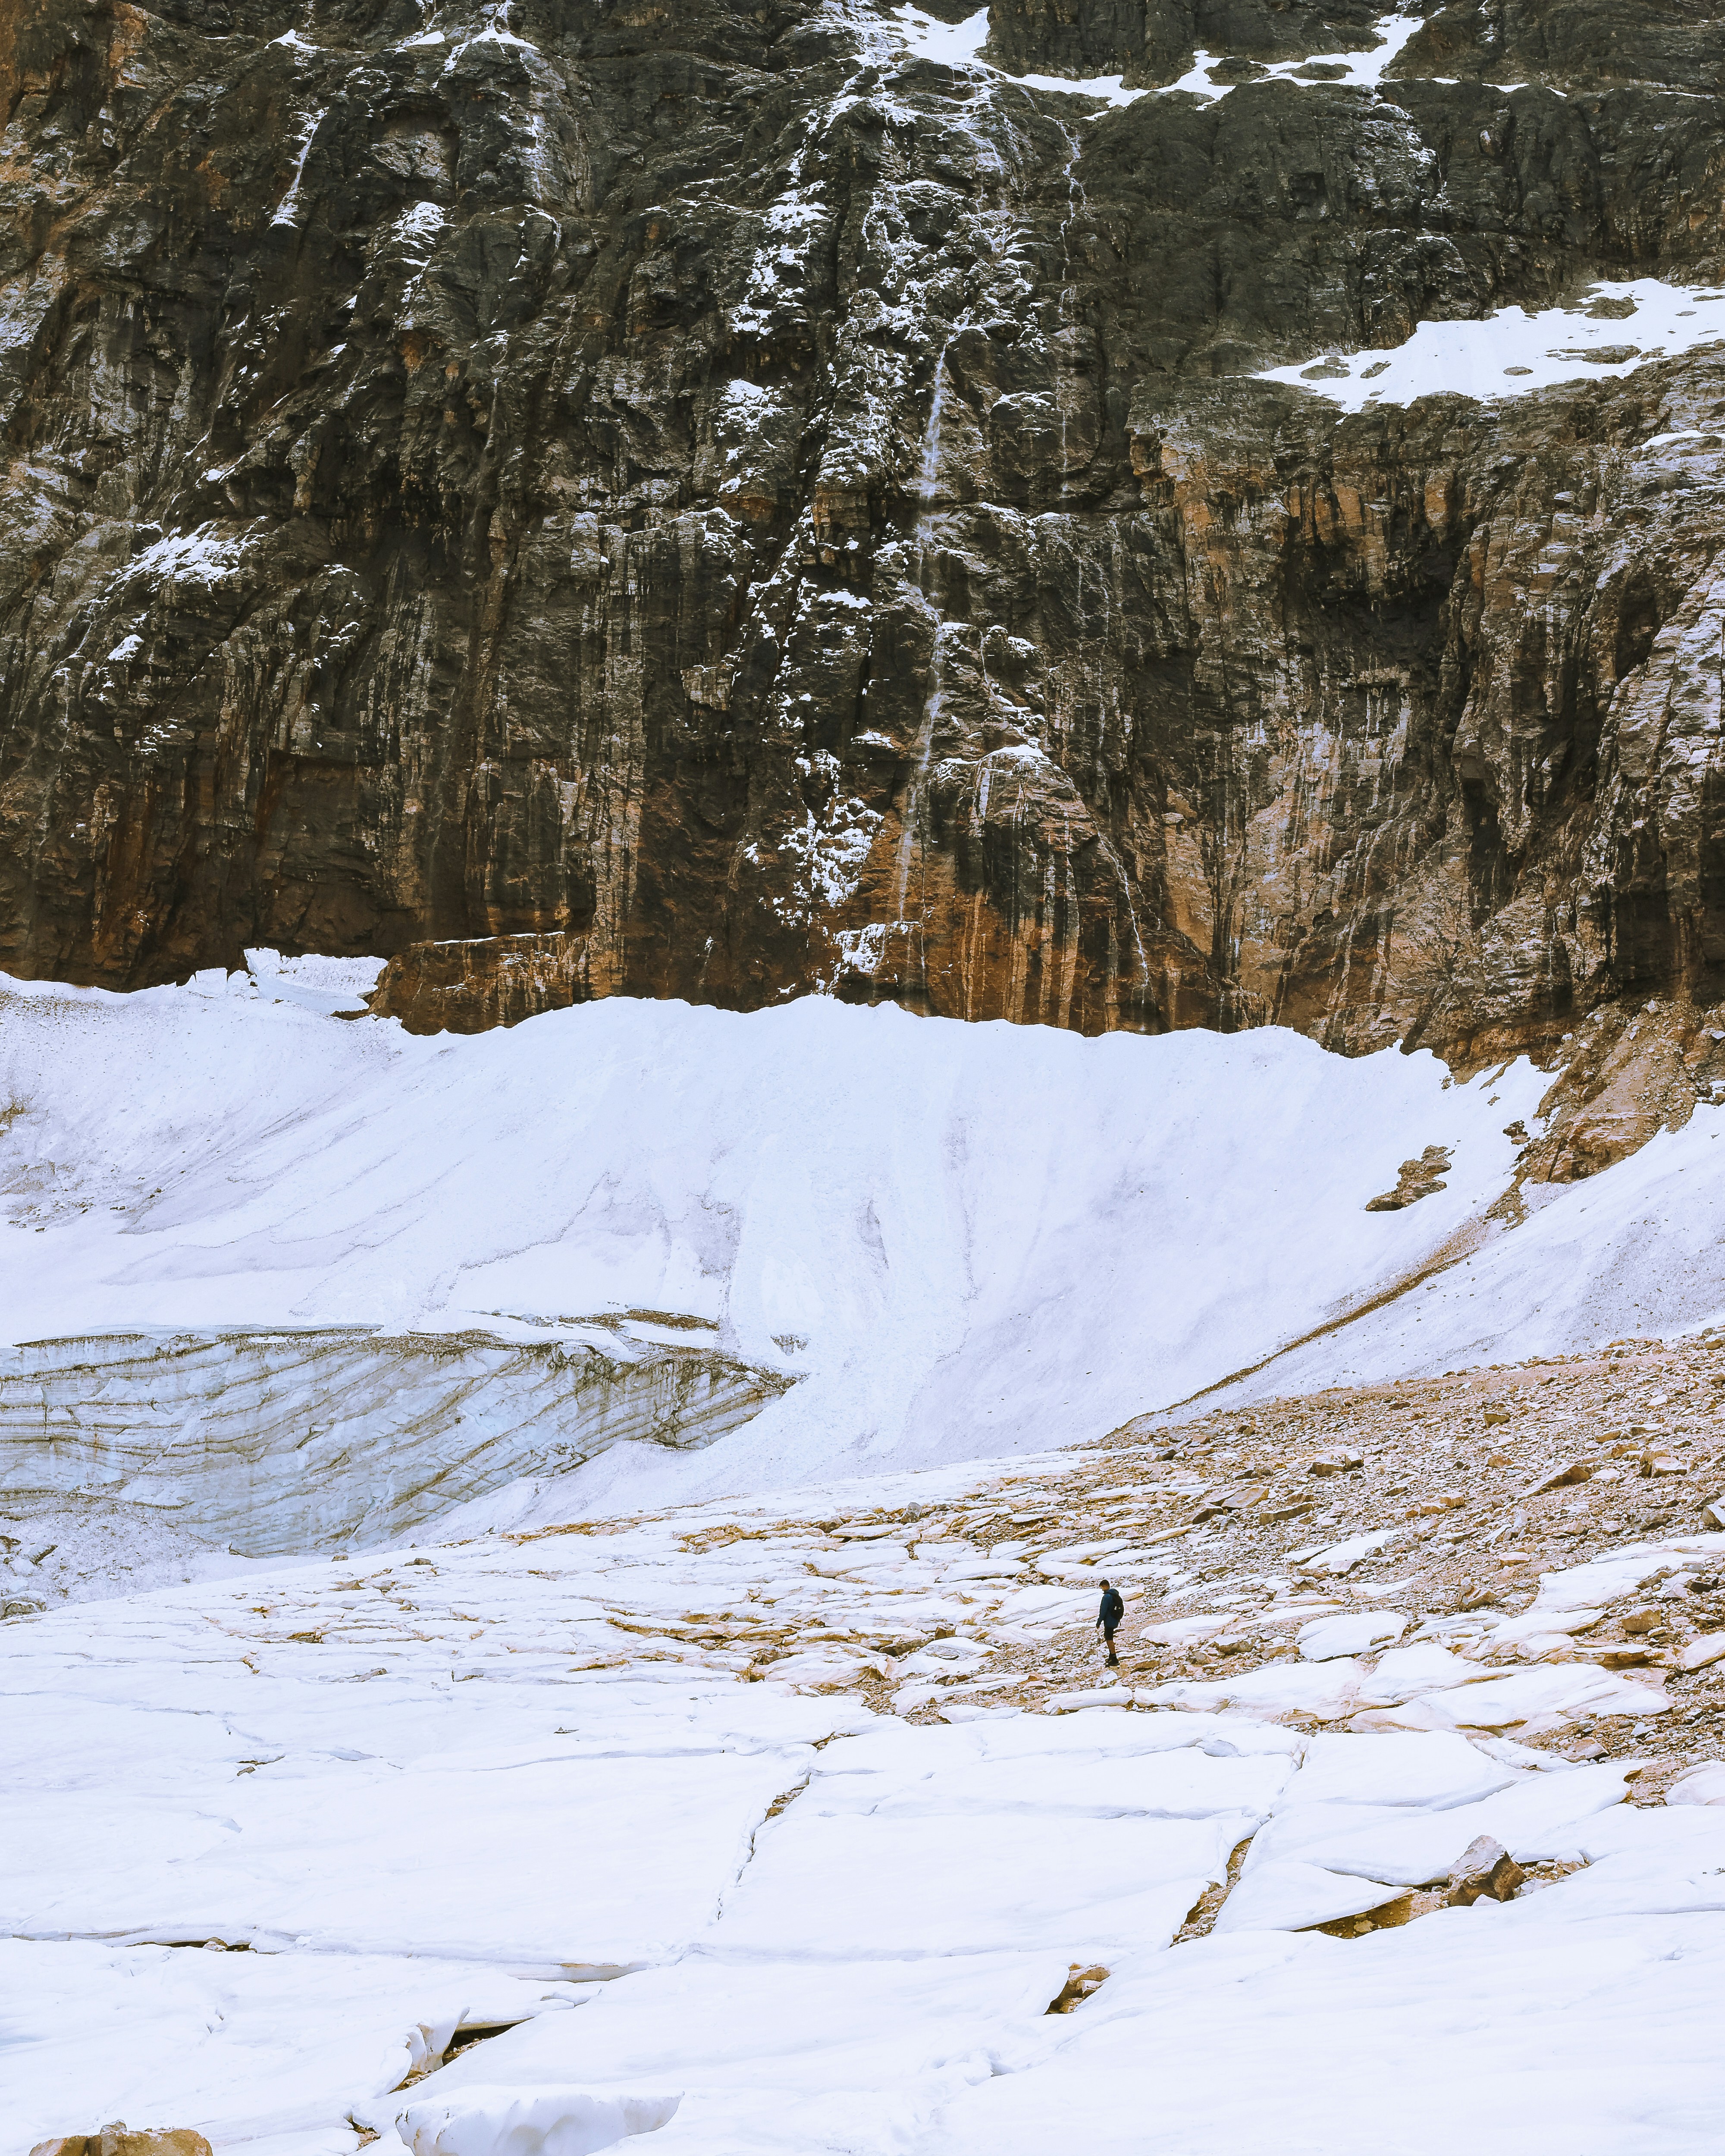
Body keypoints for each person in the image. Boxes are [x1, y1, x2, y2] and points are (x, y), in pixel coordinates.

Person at [1096, 1579, 1125, 1667]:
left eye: (1102, 1588)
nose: (1102, 1590)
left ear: (1105, 1586)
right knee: (1109, 1637)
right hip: (1115, 1619)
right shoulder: (1115, 1595)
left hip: (1109, 1620)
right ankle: (1111, 1656)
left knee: (1109, 1638)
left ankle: (1114, 1658)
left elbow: (1103, 1610)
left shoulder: (1107, 1597)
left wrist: (1099, 1621)